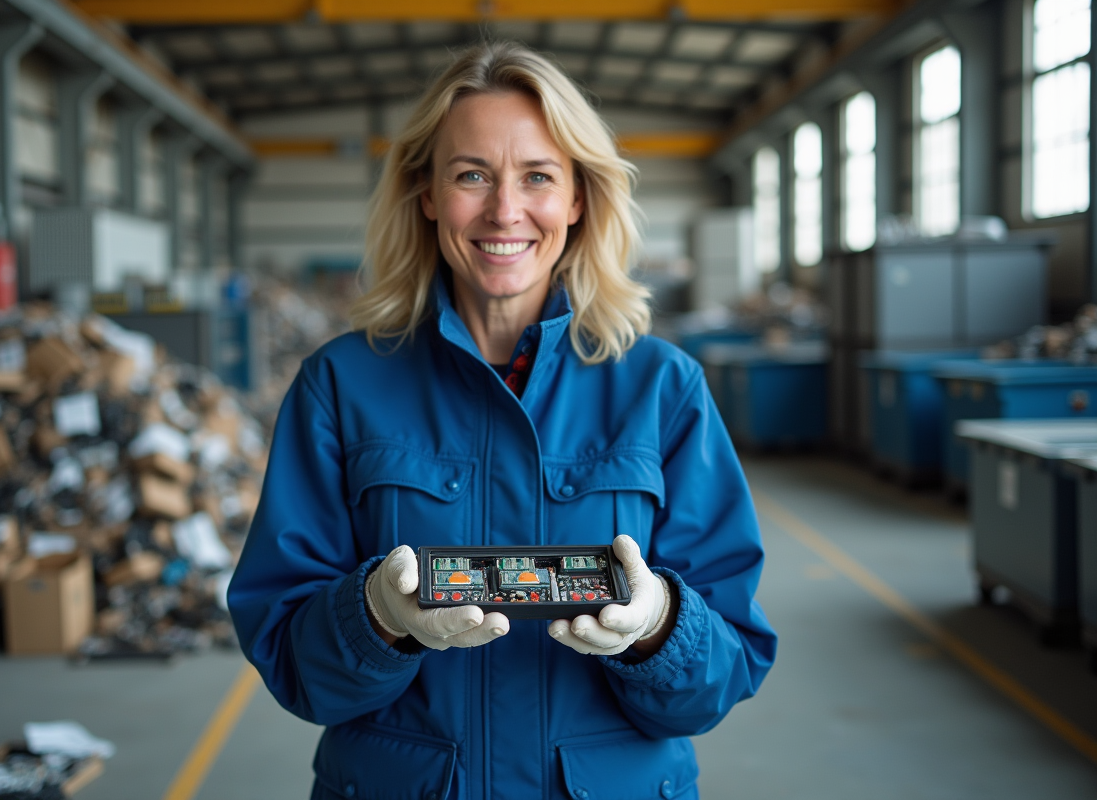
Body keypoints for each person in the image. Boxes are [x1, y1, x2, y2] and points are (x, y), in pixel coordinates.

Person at [228, 41, 777, 800]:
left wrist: (657, 626)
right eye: (471, 175)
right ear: (425, 193)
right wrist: (378, 616)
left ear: (580, 198)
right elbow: (293, 665)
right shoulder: (340, 385)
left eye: (539, 177)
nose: (504, 210)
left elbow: (725, 673)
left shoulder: (661, 388)